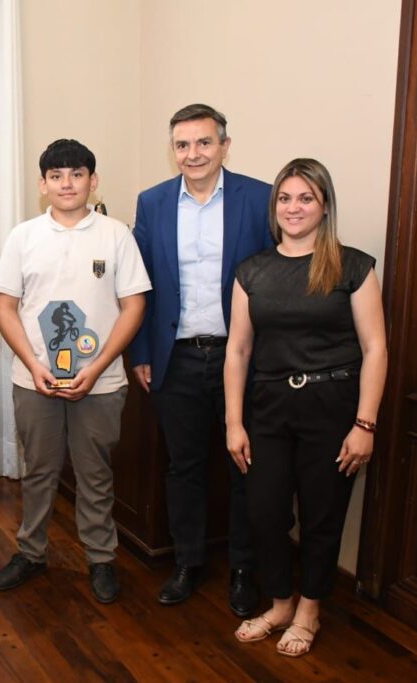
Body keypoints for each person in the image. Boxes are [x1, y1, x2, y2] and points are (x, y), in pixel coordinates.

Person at [225, 158, 387, 656]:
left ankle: (310, 609)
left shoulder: (352, 266)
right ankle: (279, 603)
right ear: (275, 206)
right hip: (269, 405)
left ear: (324, 206)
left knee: (322, 514)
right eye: (286, 198)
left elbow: (376, 348)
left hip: (332, 404)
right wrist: (234, 422)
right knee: (265, 510)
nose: (294, 208)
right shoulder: (252, 270)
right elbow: (238, 349)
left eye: (306, 198)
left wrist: (365, 424)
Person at [0, 139, 151, 604]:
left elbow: (133, 305)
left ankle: (101, 559)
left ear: (92, 180)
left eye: (77, 173)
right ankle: (31, 552)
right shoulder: (23, 237)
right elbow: (6, 306)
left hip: (100, 383)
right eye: (57, 175)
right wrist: (33, 364)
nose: (67, 183)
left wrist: (99, 367)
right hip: (34, 379)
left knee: (95, 473)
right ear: (43, 185)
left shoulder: (116, 235)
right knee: (39, 471)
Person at [129, 103, 273, 616]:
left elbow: (277, 282)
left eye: (204, 143)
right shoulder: (152, 203)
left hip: (245, 359)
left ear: (224, 146)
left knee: (246, 468)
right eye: (183, 145)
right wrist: (142, 351)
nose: (193, 154)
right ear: (174, 151)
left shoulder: (260, 199)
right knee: (183, 466)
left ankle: (243, 570)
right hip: (177, 359)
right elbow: (139, 285)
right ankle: (188, 562)